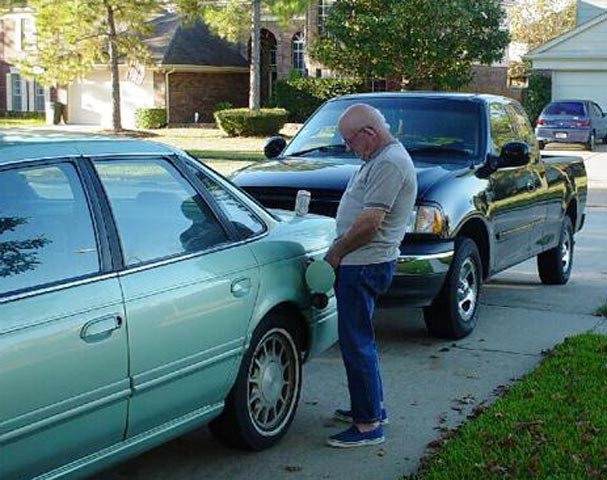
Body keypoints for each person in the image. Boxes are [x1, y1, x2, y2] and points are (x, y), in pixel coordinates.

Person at [324, 103, 417, 448]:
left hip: (363, 264)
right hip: (361, 262)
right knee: (362, 338)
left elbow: (369, 224)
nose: (349, 147)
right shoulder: (378, 158)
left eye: (351, 141)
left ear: (369, 133)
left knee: (356, 342)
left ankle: (367, 426)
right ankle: (370, 407)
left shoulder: (389, 162)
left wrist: (335, 254)